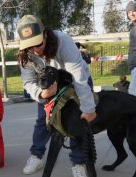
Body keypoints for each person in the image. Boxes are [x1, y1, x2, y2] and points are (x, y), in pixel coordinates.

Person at [16, 15, 96, 177]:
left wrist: (87, 107)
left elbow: (78, 76)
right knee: (42, 121)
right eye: (29, 46)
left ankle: (78, 162)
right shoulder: (26, 55)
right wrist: (41, 93)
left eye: (37, 43)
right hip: (48, 88)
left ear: (45, 34)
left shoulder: (63, 41)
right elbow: (28, 82)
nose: (35, 50)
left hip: (74, 82)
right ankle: (36, 156)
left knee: (76, 123)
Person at [126, 1, 136, 96]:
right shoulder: (133, 28)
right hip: (134, 65)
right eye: (129, 12)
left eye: (134, 11)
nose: (132, 14)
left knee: (133, 93)